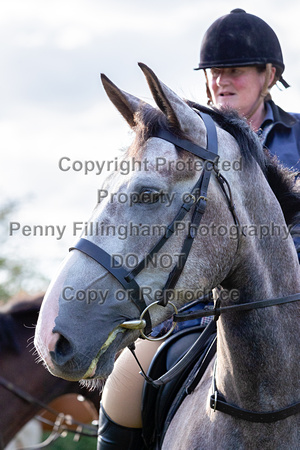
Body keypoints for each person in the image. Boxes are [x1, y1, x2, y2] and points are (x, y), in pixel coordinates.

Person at [97, 9, 300, 449]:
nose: (220, 81)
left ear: (270, 74)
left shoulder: (299, 137)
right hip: (193, 315)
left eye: (235, 71)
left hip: (291, 309)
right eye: (213, 72)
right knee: (122, 390)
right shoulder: (184, 143)